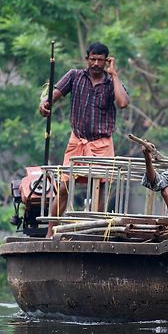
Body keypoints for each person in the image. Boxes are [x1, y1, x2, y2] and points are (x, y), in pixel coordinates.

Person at [39, 42, 130, 215]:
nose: (96, 64)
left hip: (101, 144)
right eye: (93, 59)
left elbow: (123, 103)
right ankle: (51, 231)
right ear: (87, 59)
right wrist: (44, 104)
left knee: (100, 188)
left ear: (106, 61)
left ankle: (96, 229)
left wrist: (114, 74)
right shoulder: (75, 76)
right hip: (77, 140)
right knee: (64, 186)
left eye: (100, 60)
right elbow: (52, 96)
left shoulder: (112, 82)